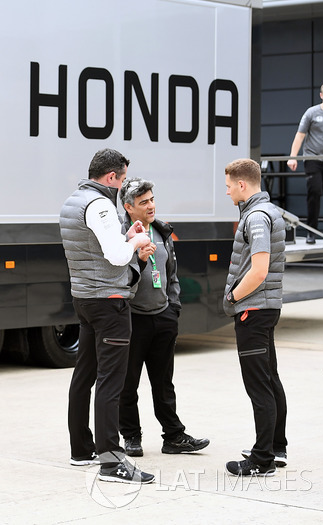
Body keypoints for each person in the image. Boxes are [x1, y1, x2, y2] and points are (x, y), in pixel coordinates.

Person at [59, 148, 154, 485]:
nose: (122, 185)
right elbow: (114, 256)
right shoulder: (100, 204)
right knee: (111, 382)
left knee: (84, 375)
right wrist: (139, 239)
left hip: (84, 299)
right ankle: (112, 462)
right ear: (111, 176)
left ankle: (81, 450)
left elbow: (95, 246)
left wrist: (126, 235)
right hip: (109, 302)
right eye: (123, 179)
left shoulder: (74, 200)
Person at [117, 177, 210, 457]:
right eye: (144, 202)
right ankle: (131, 437)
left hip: (163, 317)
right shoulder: (120, 235)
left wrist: (173, 307)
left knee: (163, 383)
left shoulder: (161, 231)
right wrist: (140, 260)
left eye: (152, 199)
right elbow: (119, 277)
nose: (151, 206)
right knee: (127, 384)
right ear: (128, 207)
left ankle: (174, 437)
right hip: (133, 320)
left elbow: (172, 274)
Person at [223, 158, 288, 477]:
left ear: (242, 185)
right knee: (270, 378)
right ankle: (275, 447)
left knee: (259, 384)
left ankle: (262, 459)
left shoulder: (257, 217)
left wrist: (233, 297)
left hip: (254, 309)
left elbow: (259, 270)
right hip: (265, 307)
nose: (227, 192)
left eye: (228, 186)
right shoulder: (268, 211)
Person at [287, 82, 323, 244]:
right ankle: (312, 232)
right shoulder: (312, 113)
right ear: (321, 95)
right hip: (313, 159)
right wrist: (293, 156)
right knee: (315, 193)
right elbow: (300, 135)